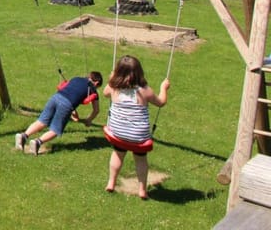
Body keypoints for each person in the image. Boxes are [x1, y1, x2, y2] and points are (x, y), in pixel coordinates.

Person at [103, 55, 170, 199]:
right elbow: (161, 102)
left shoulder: (113, 87)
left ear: (118, 71)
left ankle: (111, 183)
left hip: (118, 133)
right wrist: (163, 88)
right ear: (139, 72)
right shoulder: (145, 90)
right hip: (138, 137)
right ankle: (142, 190)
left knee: (118, 154)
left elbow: (105, 93)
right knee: (140, 159)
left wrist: (111, 79)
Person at [15, 71, 103, 155]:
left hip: (55, 97)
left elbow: (72, 93)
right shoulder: (92, 89)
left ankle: (23, 136)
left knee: (41, 121)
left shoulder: (76, 79)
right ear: (96, 83)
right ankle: (37, 142)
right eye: (98, 87)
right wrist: (89, 120)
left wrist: (73, 111)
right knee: (56, 130)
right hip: (67, 104)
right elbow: (96, 110)